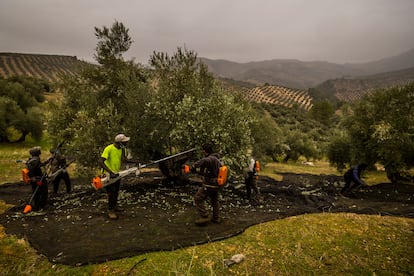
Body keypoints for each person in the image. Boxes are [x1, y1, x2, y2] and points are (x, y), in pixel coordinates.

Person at [98, 133, 135, 220]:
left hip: (117, 174)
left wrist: (135, 162)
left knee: (116, 191)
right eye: (125, 142)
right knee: (111, 193)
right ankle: (111, 210)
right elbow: (101, 161)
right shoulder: (109, 148)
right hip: (108, 174)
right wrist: (110, 172)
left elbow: (124, 160)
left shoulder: (123, 149)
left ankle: (115, 206)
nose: (126, 143)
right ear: (119, 142)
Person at [191, 143, 223, 226]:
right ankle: (216, 218)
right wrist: (194, 171)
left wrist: (193, 166)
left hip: (210, 184)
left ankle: (204, 216)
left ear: (205, 151)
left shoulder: (210, 159)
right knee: (214, 200)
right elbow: (206, 173)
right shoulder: (217, 159)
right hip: (216, 184)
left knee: (198, 198)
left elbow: (205, 161)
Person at [26, 146, 48, 211]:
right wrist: (33, 178)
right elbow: (31, 169)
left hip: (37, 178)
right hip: (37, 179)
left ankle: (38, 206)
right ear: (37, 153)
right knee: (42, 192)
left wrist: (48, 161)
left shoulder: (32, 159)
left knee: (37, 192)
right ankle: (39, 206)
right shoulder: (35, 160)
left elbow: (40, 165)